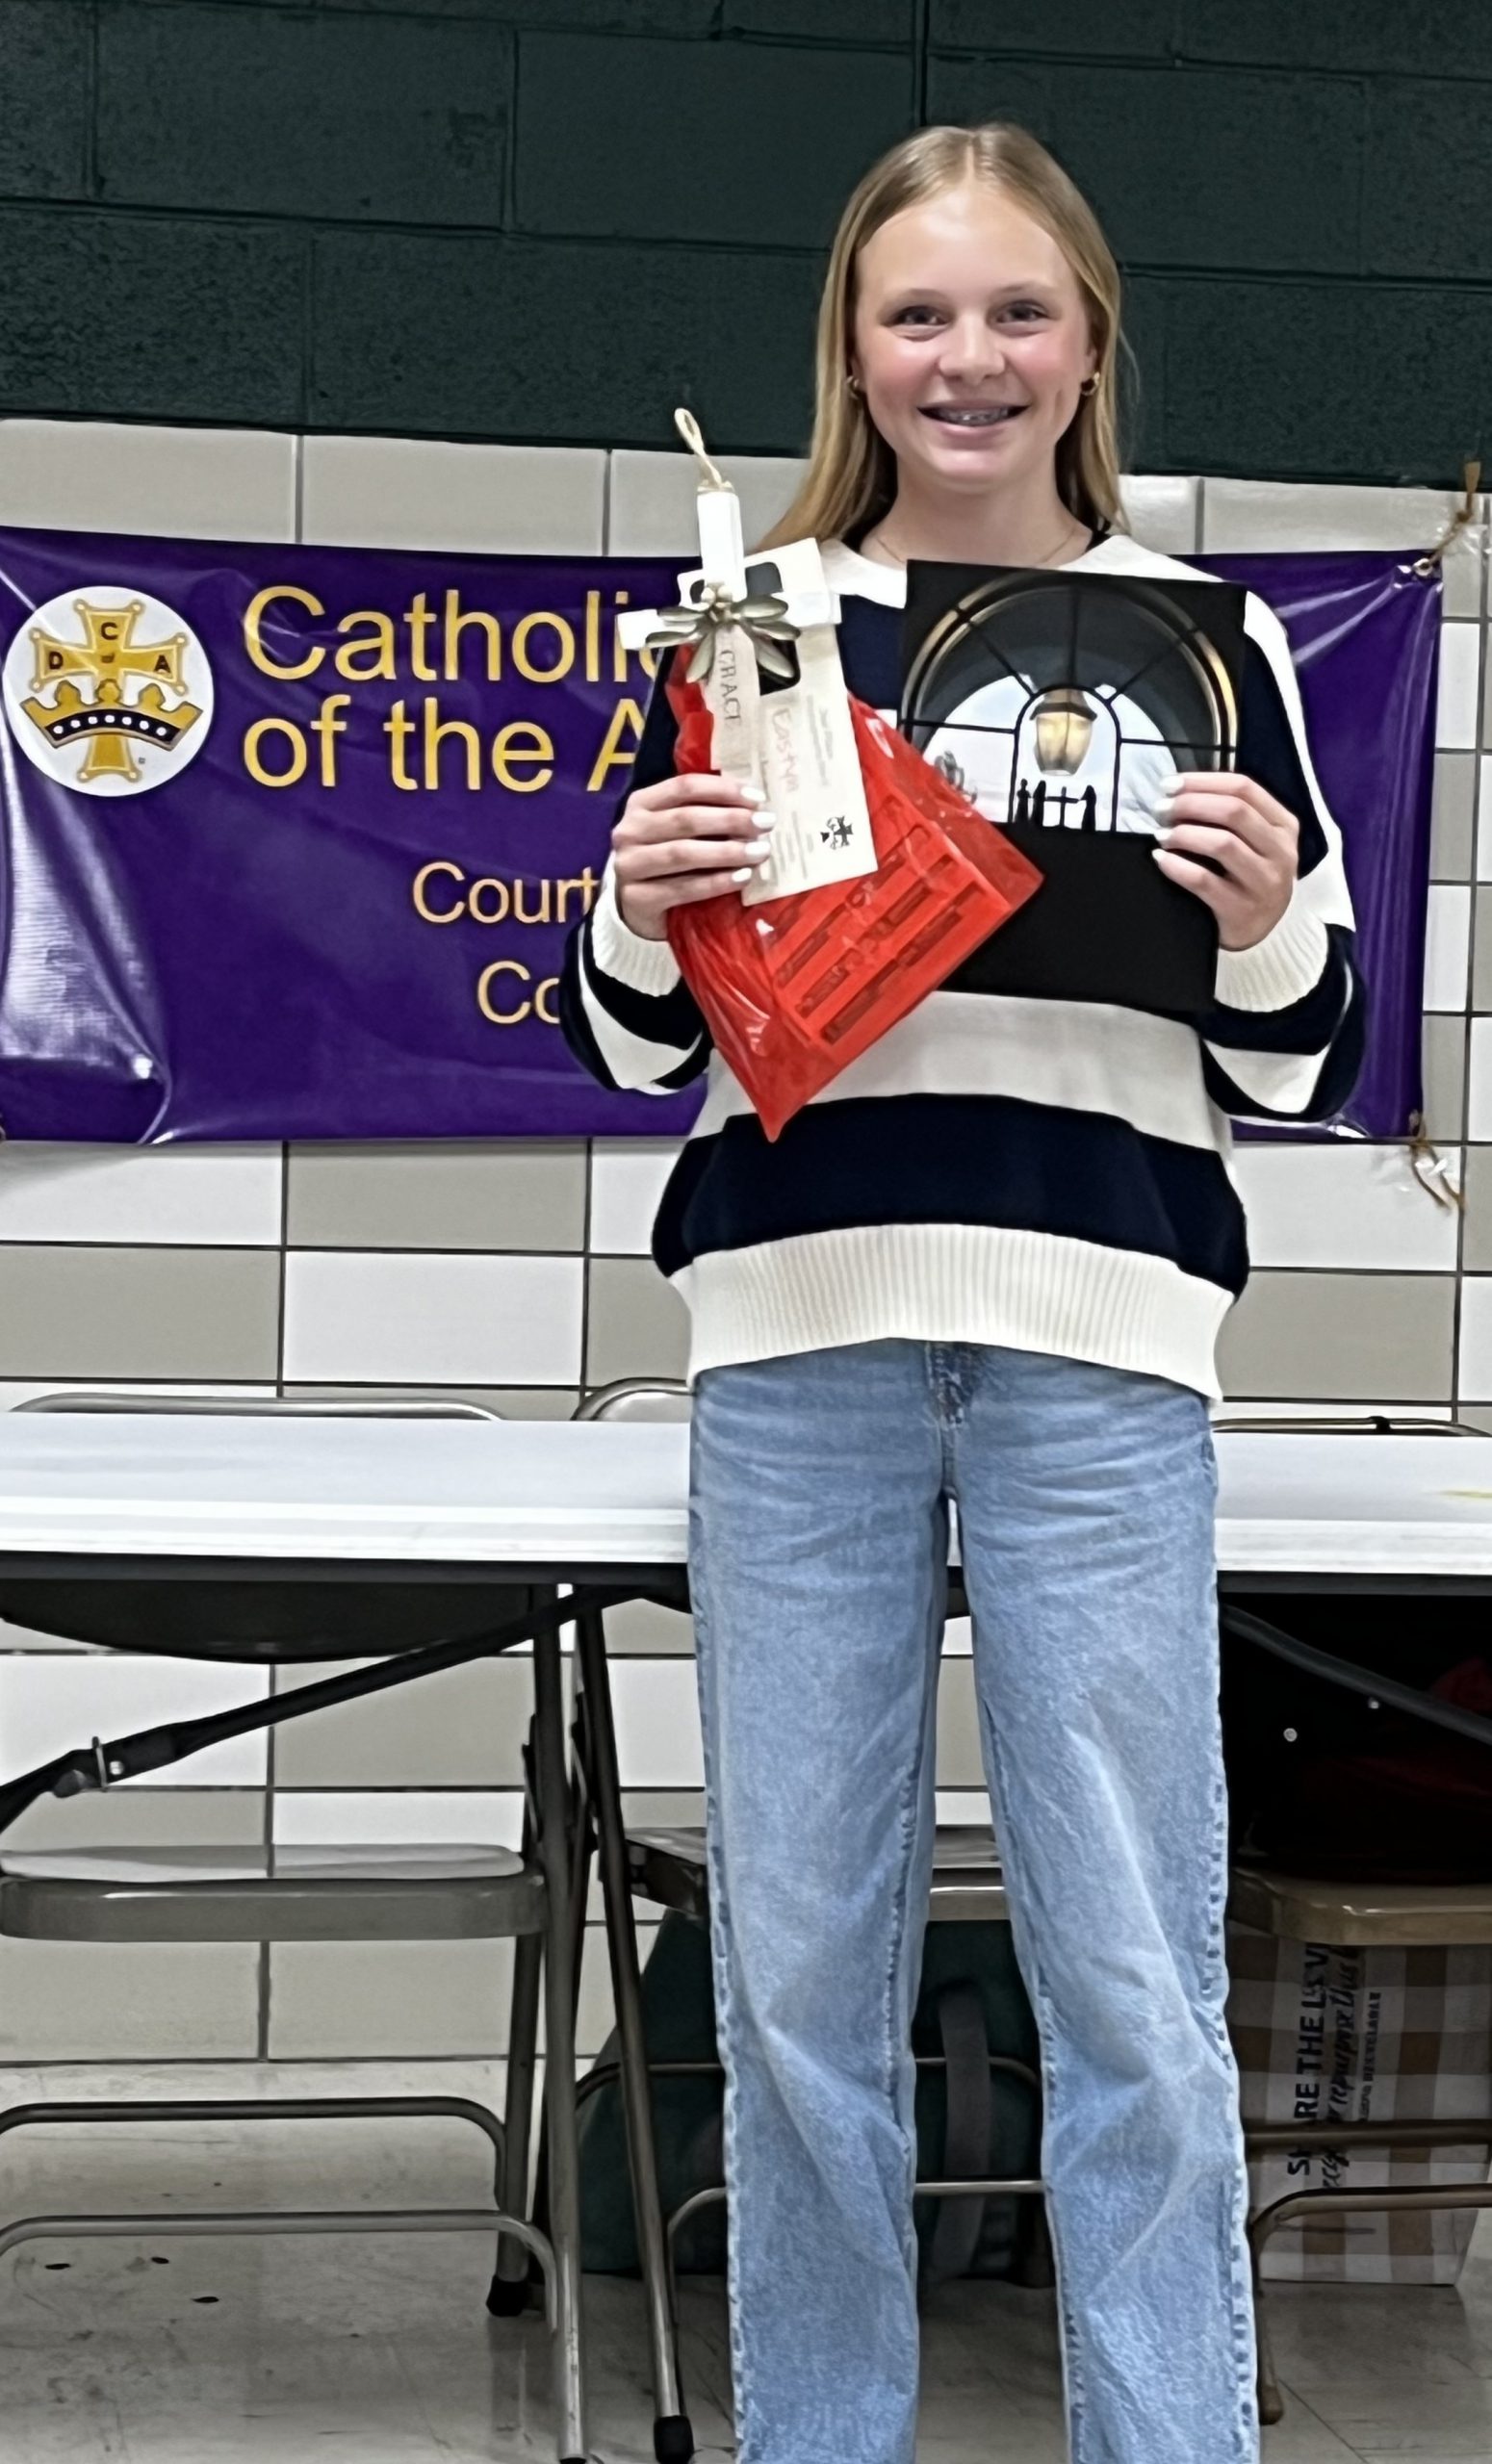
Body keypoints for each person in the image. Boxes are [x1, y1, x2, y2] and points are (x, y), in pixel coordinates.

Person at [560, 121, 1363, 2464]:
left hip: (1102, 1349)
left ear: (1092, 342)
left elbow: (1306, 1055)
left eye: (1017, 309)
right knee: (801, 1980)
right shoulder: (751, 627)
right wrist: (635, 898)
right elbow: (632, 1046)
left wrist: (1262, 922)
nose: (969, 356)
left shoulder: (1216, 641)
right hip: (793, 1343)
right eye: (917, 312)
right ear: (851, 347)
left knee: (1132, 1976)